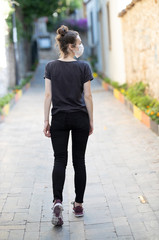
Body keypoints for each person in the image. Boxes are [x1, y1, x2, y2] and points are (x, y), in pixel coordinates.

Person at [43, 25, 94, 226]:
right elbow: (88, 96)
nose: (81, 47)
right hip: (80, 117)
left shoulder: (50, 67)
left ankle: (57, 202)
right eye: (79, 44)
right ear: (72, 47)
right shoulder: (84, 67)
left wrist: (46, 120)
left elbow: (48, 95)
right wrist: (91, 120)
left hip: (59, 118)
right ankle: (79, 205)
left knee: (59, 160)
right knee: (79, 161)